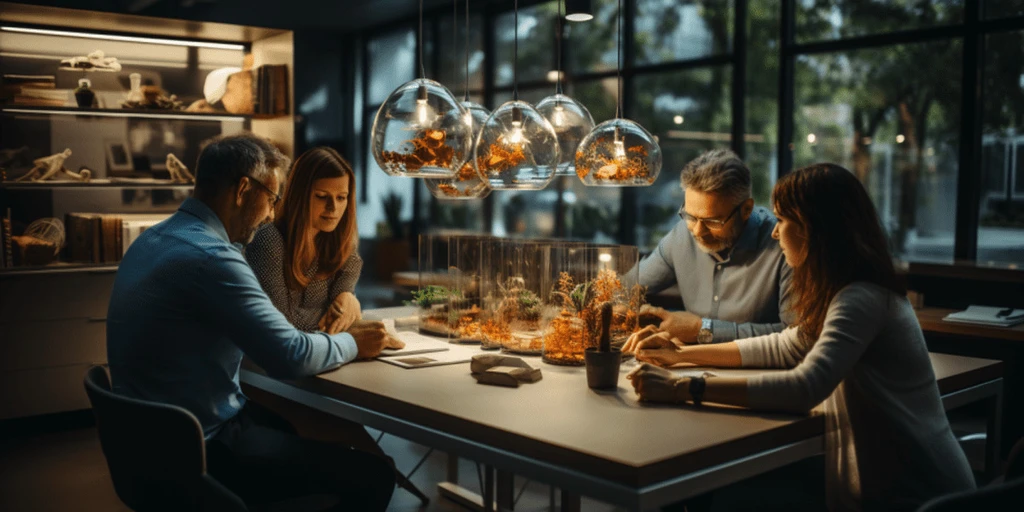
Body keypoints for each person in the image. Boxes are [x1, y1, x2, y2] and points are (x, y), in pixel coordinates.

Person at [625, 163, 976, 511]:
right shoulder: (843, 293)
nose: (775, 234)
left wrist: (682, 387)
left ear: (813, 231)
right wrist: (682, 355)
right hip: (885, 490)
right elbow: (786, 344)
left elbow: (803, 388)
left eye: (782, 221)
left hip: (919, 498)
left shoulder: (861, 298)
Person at [106, 133, 403, 511]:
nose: (273, 213)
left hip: (147, 441)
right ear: (244, 189)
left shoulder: (152, 240)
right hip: (200, 448)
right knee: (373, 474)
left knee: (296, 429)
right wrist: (355, 343)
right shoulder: (214, 258)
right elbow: (290, 356)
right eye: (273, 199)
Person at [638, 149, 792, 345]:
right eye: (691, 217)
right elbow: (630, 286)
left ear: (746, 210)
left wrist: (704, 330)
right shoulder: (681, 236)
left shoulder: (783, 247)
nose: (698, 231)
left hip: (758, 372)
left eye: (712, 221)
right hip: (689, 364)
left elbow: (794, 334)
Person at [246, 146, 362, 335]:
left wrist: (346, 295)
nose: (333, 208)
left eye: (341, 198)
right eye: (322, 197)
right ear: (300, 195)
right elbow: (282, 322)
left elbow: (350, 268)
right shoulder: (269, 240)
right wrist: (336, 314)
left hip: (320, 353)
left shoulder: (335, 238)